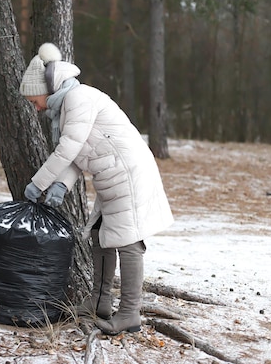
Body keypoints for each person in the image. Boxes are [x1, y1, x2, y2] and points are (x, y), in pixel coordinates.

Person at [19, 42, 174, 335]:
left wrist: (37, 184)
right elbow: (79, 153)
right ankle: (99, 302)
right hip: (111, 174)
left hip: (128, 173)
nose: (33, 105)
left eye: (32, 99)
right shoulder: (66, 106)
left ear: (45, 88)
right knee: (98, 235)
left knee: (129, 241)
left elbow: (66, 150)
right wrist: (62, 185)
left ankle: (129, 313)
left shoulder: (78, 98)